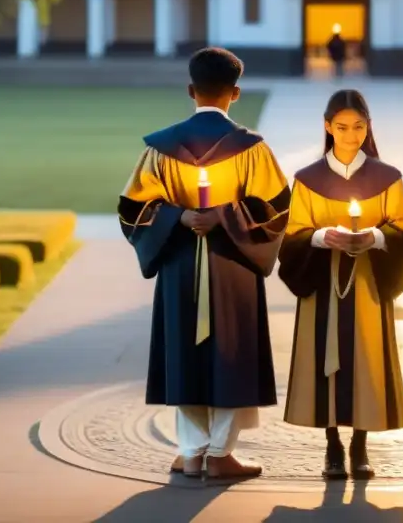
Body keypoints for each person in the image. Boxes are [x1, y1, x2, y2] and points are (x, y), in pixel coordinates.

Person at [117, 47, 291, 480]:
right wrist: (227, 216)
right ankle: (219, 455)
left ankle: (191, 451)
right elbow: (277, 212)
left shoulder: (160, 150)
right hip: (233, 267)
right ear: (235, 92)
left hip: (179, 266)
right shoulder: (252, 149)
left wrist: (178, 216)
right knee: (231, 356)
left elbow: (132, 211)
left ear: (191, 89)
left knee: (185, 352)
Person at [278, 90, 403, 481]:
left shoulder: (387, 177)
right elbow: (293, 234)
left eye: (358, 127)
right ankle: (332, 446)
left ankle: (359, 445)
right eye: (341, 127)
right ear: (327, 127)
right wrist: (322, 237)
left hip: (368, 286)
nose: (350, 135)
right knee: (325, 362)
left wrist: (373, 237)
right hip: (321, 284)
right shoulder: (307, 179)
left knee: (366, 360)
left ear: (367, 127)